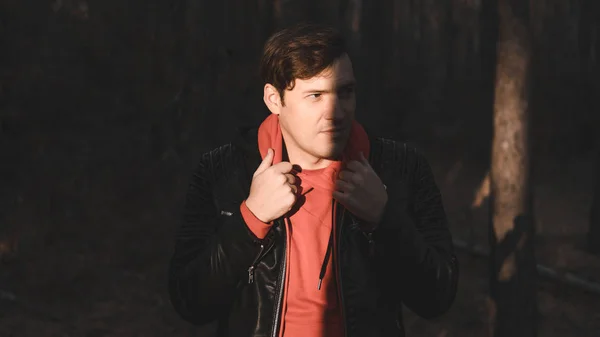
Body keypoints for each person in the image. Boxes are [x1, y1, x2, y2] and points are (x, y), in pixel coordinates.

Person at [168, 23, 458, 337]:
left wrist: (385, 220)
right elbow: (190, 301)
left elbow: (437, 298)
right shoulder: (222, 171)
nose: (335, 112)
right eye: (315, 95)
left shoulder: (400, 168)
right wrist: (250, 219)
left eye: (345, 92)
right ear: (274, 99)